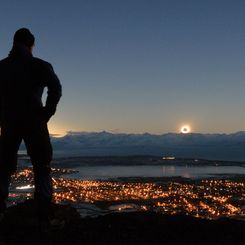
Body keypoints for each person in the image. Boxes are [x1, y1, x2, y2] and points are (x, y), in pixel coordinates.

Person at [0, 28, 62, 224]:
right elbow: (56, 88)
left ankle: (0, 212)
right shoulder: (39, 66)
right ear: (31, 45)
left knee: (2, 166)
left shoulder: (2, 67)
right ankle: (44, 215)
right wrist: (46, 113)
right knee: (42, 166)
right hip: (34, 121)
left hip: (9, 121)